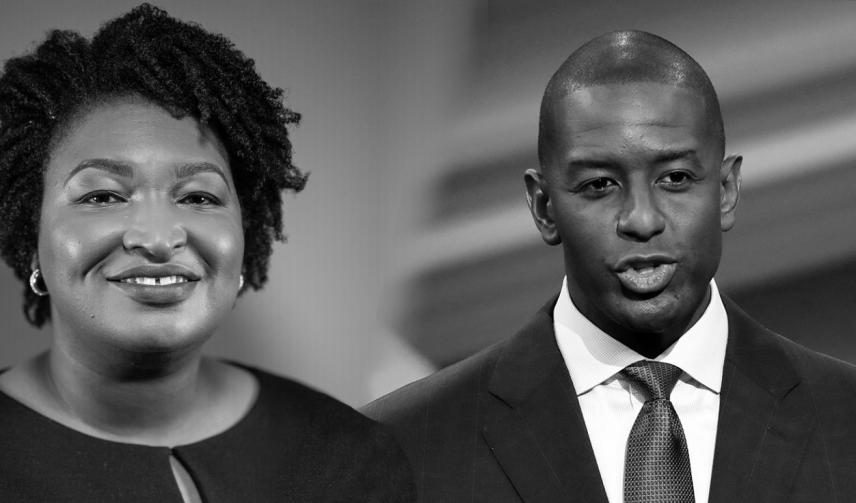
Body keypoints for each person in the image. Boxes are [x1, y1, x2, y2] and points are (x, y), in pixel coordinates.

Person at [0, 5, 414, 502]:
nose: (159, 239)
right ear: (33, 237)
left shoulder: (347, 453)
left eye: (198, 197)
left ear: (245, 235)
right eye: (102, 196)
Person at [364, 30, 856, 502]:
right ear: (543, 206)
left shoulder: (844, 418)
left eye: (676, 178)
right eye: (599, 185)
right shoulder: (397, 449)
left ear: (726, 191)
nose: (641, 220)